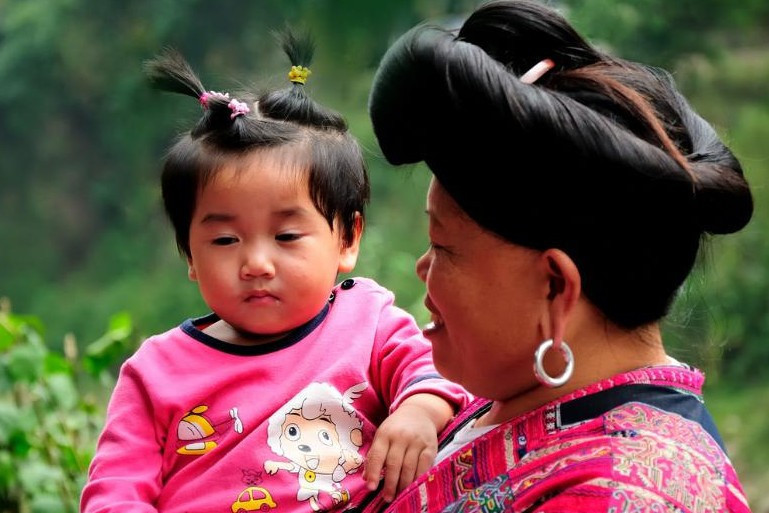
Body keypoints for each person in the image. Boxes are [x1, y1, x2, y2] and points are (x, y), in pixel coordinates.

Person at [361, 1, 755, 511]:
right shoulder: (510, 393)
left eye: (443, 246)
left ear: (554, 286)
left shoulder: (628, 499)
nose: (422, 266)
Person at [80, 33, 470, 513]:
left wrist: (418, 412)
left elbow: (434, 372)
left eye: (287, 237)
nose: (256, 264)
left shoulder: (368, 321)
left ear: (347, 239)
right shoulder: (155, 373)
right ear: (190, 257)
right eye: (224, 241)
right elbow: (114, 492)